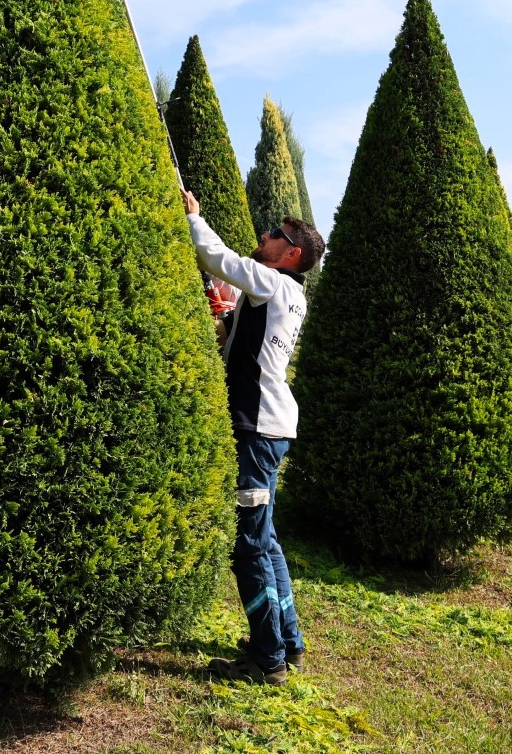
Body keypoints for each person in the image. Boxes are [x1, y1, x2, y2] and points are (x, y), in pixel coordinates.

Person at [182, 189, 324, 686]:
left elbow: (218, 258)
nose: (264, 236)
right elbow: (244, 339)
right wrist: (226, 320)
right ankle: (289, 642)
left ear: (292, 255)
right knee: (268, 543)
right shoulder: (287, 293)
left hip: (257, 427)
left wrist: (195, 218)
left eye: (275, 235)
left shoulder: (271, 281)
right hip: (271, 427)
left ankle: (268, 660)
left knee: (249, 549)